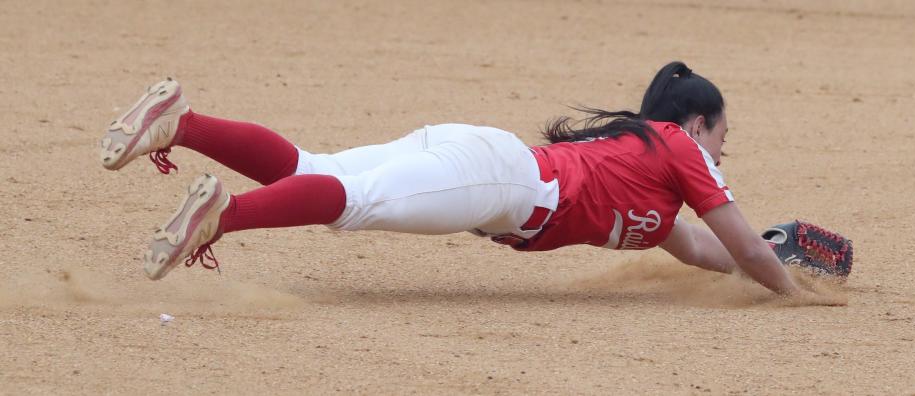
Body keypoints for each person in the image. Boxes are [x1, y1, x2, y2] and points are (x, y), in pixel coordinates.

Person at [98, 61, 805, 296]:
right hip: (499, 185)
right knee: (357, 203)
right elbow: (738, 244)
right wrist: (798, 294)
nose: (721, 151)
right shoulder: (678, 143)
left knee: (317, 170)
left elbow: (712, 251)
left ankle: (181, 124)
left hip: (484, 165)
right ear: (698, 123)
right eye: (723, 135)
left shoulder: (652, 183)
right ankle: (225, 215)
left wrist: (771, 258)